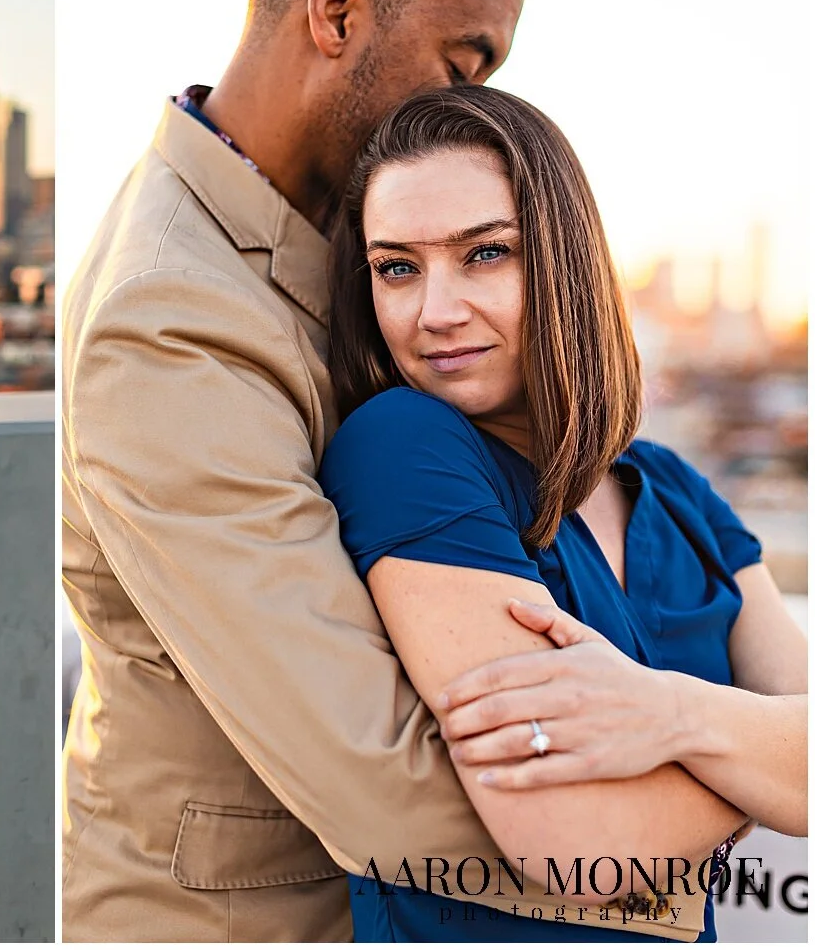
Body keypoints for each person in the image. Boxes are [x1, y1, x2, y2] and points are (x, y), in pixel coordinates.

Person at [62, 0, 711, 942]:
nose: (473, 109)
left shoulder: (307, 230)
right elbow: (373, 772)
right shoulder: (169, 318)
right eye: (465, 60)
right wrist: (704, 838)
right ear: (335, 11)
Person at [317, 85, 807, 941]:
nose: (435, 312)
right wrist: (759, 760)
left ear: (563, 257)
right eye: (397, 266)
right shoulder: (405, 446)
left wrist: (668, 714)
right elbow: (582, 843)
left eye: (484, 254)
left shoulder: (678, 490)